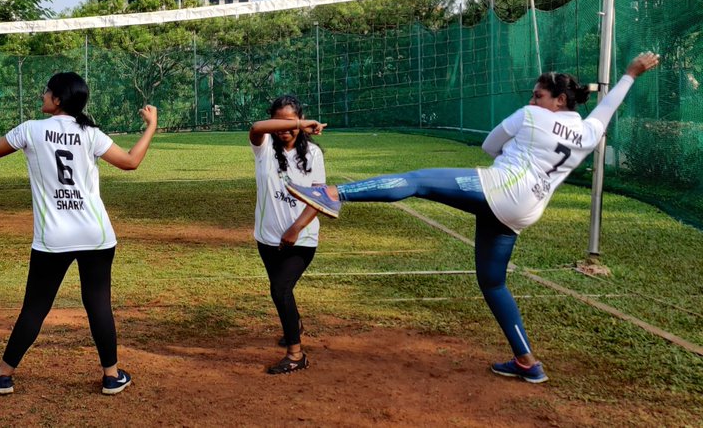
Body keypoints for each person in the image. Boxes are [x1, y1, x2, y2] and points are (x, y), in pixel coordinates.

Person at [287, 52, 661, 384]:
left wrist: (517, 143)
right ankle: (527, 362)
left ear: (559, 100)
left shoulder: (530, 116)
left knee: (418, 181)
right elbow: (607, 107)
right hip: (527, 209)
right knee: (493, 283)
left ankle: (333, 193)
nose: (532, 99)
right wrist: (631, 73)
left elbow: (489, 146)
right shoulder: (589, 132)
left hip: (500, 188)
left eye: (538, 95)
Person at [0, 71, 157, 396]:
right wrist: (151, 125)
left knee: (36, 307)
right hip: (97, 234)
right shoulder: (90, 133)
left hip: (54, 238)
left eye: (47, 91)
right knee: (98, 305)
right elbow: (131, 162)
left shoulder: (31, 130)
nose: (42, 95)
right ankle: (111, 375)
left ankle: (4, 375)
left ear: (58, 99)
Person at [248, 96, 328, 374]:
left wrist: (295, 229)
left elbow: (318, 198)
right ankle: (295, 323)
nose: (286, 128)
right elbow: (257, 127)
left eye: (291, 122)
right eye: (280, 121)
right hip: (267, 238)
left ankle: (296, 355)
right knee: (284, 292)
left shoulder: (314, 154)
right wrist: (299, 123)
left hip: (301, 240)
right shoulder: (264, 147)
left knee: (280, 289)